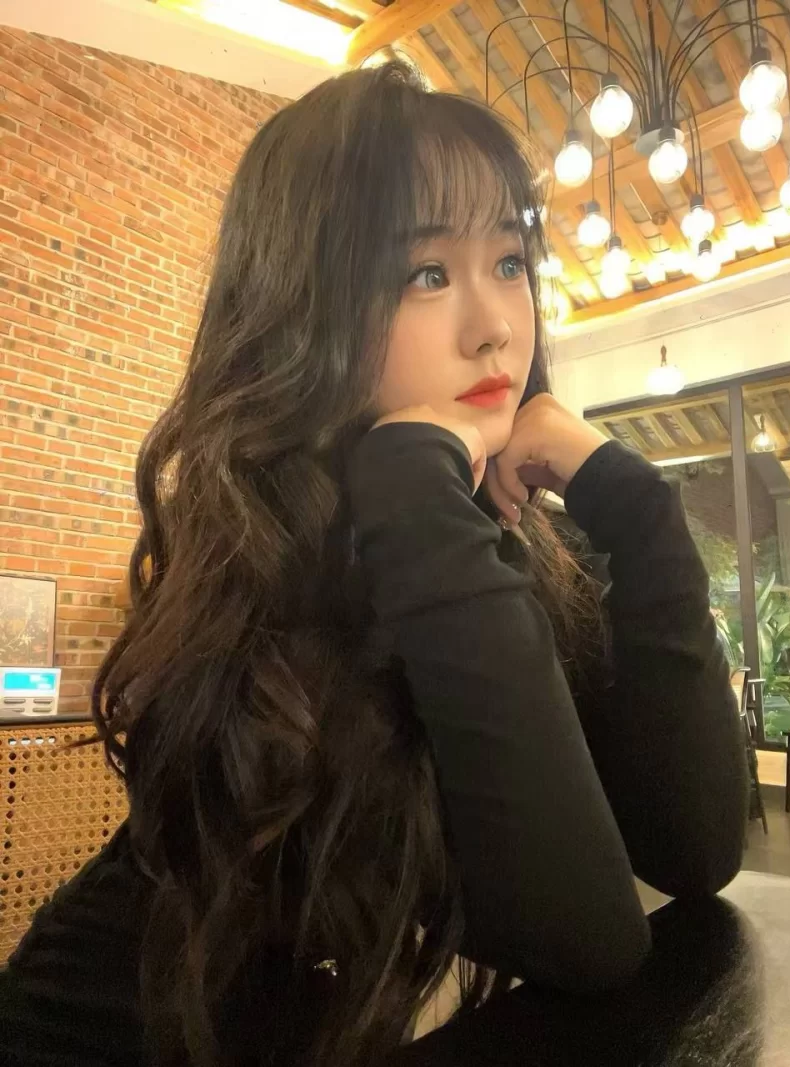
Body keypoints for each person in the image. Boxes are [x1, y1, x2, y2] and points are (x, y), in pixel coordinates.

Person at [0, 62, 748, 1067]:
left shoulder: (513, 553)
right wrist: (405, 473)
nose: (495, 325)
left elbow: (694, 849)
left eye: (509, 261)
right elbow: (586, 937)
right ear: (305, 310)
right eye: (425, 274)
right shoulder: (259, 601)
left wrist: (636, 503)